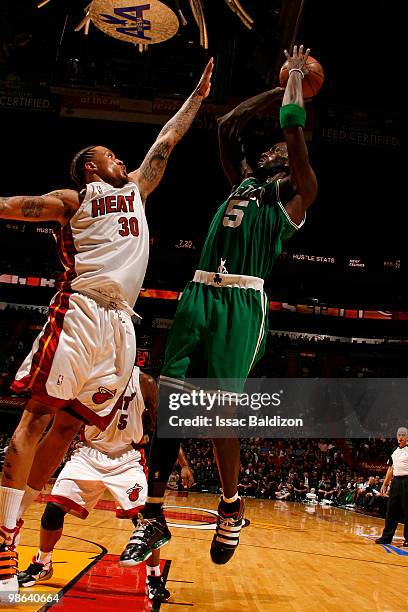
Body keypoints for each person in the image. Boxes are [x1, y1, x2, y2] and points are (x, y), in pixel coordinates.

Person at [0, 57, 213, 598]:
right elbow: (13, 207)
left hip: (122, 327)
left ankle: (18, 518)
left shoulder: (138, 190)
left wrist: (196, 97)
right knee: (37, 417)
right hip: (83, 310)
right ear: (91, 168)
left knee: (70, 428)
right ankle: (4, 535)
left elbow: (166, 140)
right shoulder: (75, 199)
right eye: (109, 155)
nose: (121, 158)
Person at [119, 45, 318, 566]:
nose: (275, 148)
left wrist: (296, 84)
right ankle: (154, 516)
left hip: (241, 303)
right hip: (198, 293)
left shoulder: (296, 195)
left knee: (219, 415)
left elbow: (295, 134)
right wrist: (276, 88)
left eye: (282, 148)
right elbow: (228, 124)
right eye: (271, 147)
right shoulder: (245, 183)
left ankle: (231, 507)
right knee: (169, 405)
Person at [17, 367, 193, 603]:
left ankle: (154, 578)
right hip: (88, 454)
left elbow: (164, 427)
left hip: (127, 458)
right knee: (52, 511)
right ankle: (42, 563)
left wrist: (183, 464)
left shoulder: (146, 383)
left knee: (147, 521)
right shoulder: (92, 372)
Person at [375, 427, 408, 546]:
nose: (401, 437)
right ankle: (386, 537)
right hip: (396, 481)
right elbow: (391, 469)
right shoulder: (395, 451)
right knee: (391, 511)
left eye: (403, 435)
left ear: (407, 437)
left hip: (406, 481)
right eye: (399, 435)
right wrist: (385, 483)